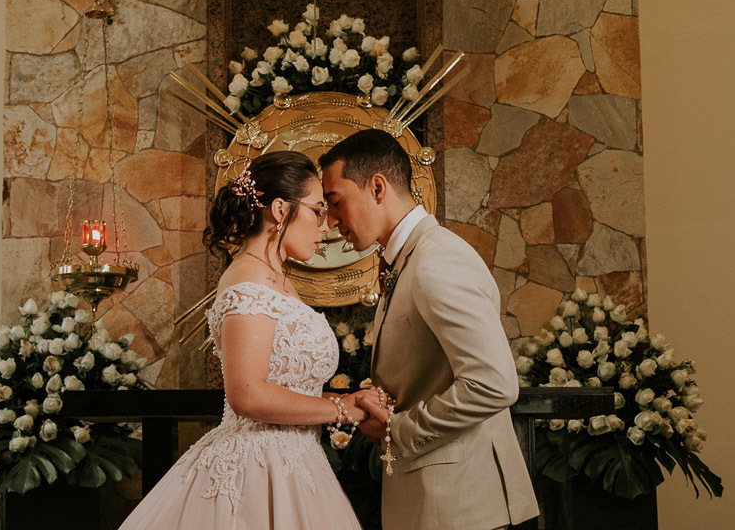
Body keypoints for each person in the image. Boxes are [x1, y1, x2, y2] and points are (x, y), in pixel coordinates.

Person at [119, 151, 365, 529]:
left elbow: (286, 385)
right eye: (317, 210)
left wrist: (348, 403)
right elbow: (247, 394)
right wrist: (341, 409)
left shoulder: (276, 279)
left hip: (297, 463)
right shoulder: (247, 282)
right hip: (256, 467)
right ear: (281, 210)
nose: (327, 224)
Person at [319, 129, 540, 530]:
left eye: (336, 203)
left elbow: (493, 383)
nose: (331, 222)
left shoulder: (436, 259)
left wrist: (397, 429)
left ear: (378, 188)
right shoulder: (407, 259)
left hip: (465, 507)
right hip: (439, 502)